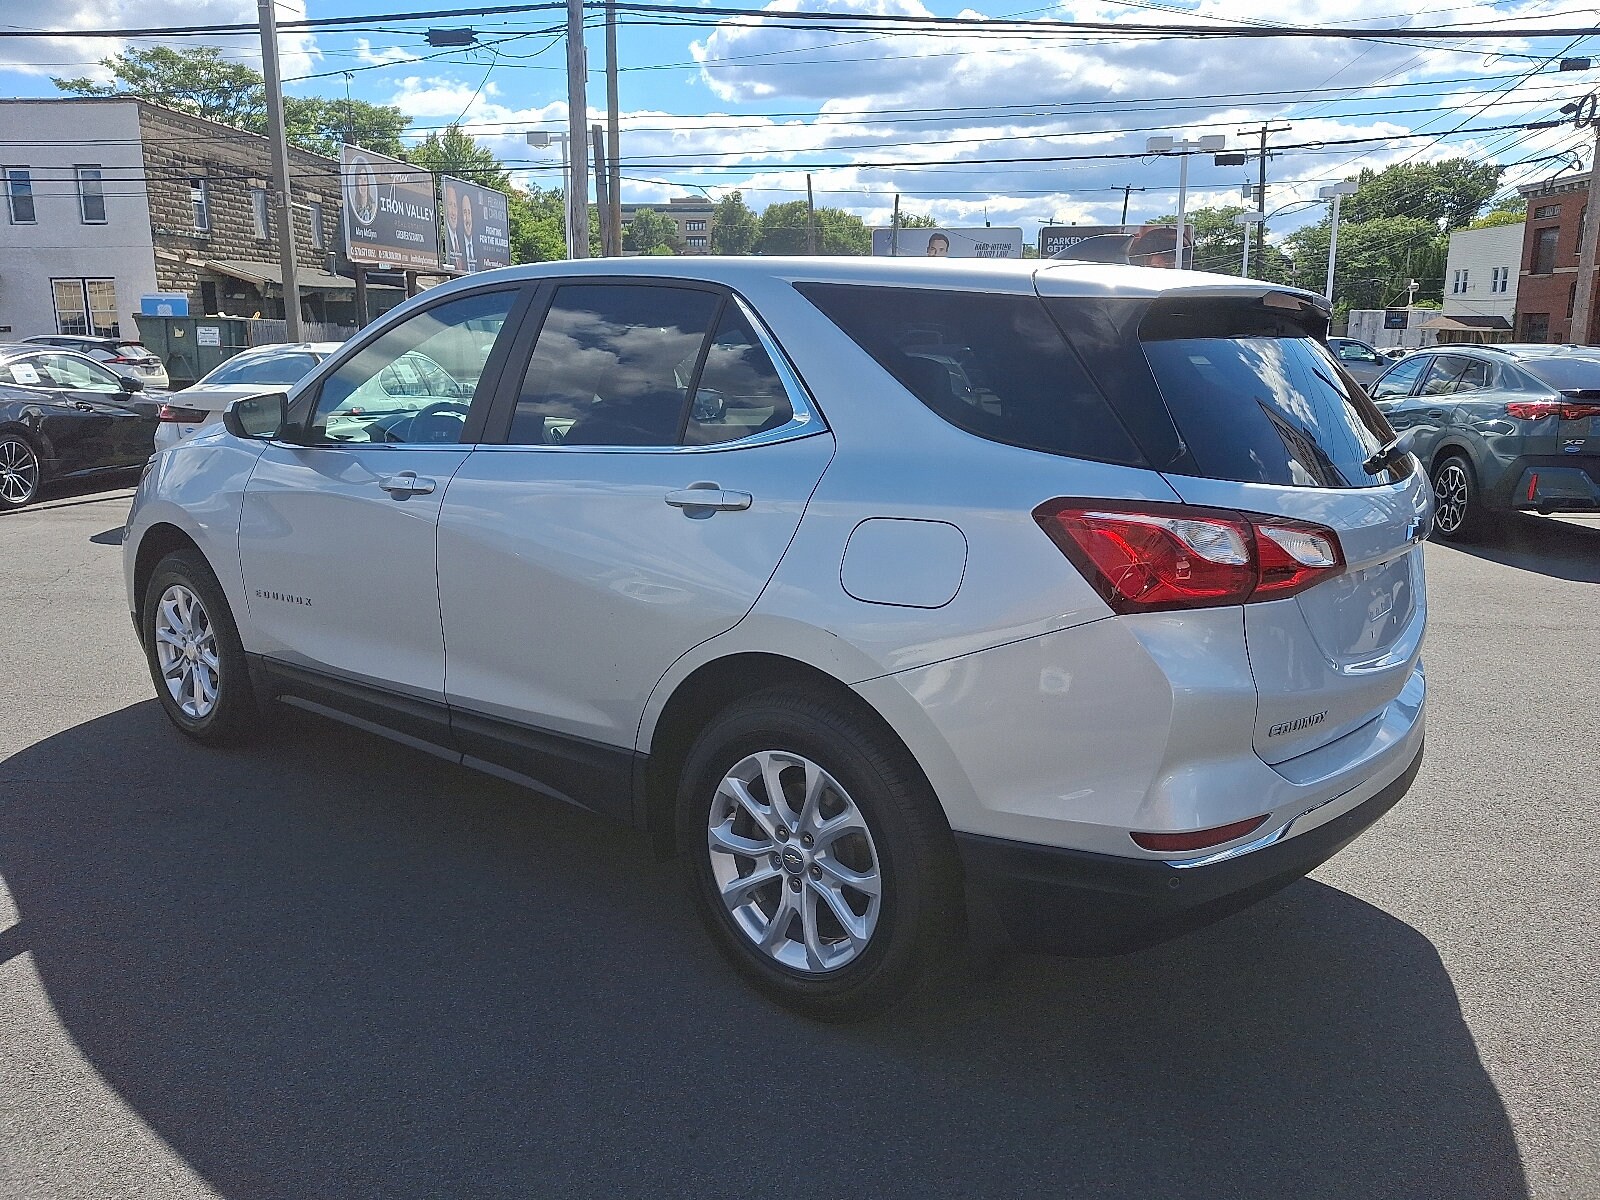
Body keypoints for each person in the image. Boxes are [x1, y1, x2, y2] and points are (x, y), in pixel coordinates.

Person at [443, 185, 465, 272]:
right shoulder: (443, 239)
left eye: (455, 206)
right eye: (450, 205)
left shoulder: (463, 240)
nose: (453, 212)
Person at [461, 195, 477, 273]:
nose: (467, 219)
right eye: (464, 213)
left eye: (469, 213)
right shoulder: (458, 246)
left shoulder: (479, 249)